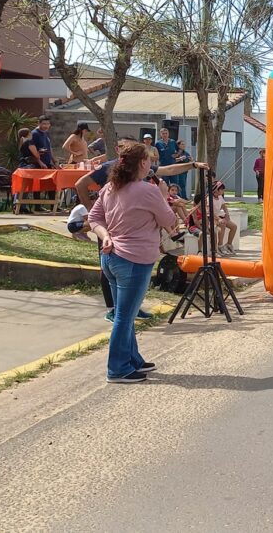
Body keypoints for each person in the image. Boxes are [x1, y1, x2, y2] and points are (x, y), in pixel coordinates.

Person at [87, 142, 178, 384]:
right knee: (125, 317)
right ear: (142, 163)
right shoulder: (147, 190)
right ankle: (117, 369)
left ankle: (132, 358)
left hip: (111, 256)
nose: (150, 163)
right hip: (134, 260)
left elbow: (94, 217)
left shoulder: (110, 187)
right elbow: (169, 219)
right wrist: (163, 194)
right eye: (148, 159)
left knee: (123, 313)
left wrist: (105, 235)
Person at [210, 181, 238, 255]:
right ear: (216, 190)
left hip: (219, 216)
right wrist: (218, 219)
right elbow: (210, 212)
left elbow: (224, 207)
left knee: (234, 226)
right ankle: (220, 245)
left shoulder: (220, 197)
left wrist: (227, 215)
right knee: (222, 225)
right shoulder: (209, 198)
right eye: (222, 189)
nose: (223, 191)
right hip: (210, 217)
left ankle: (229, 244)